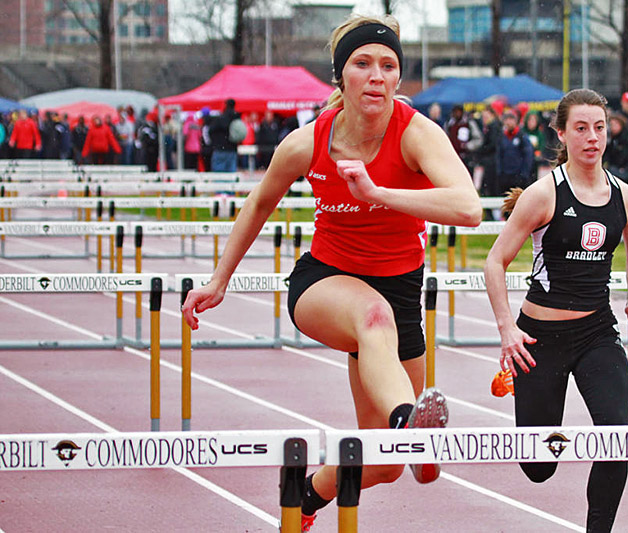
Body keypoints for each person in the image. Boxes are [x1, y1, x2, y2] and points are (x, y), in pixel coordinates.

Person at [180, 14, 482, 531]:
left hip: (401, 286)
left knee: (383, 466)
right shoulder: (306, 143)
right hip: (326, 281)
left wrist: (379, 194)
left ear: (398, 79)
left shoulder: (416, 134)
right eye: (363, 64)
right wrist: (218, 278)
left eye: (388, 66)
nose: (377, 76)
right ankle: (411, 426)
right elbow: (258, 204)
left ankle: (307, 492)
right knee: (372, 317)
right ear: (341, 77)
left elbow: (469, 208)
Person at [483, 88, 628, 533]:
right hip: (538, 339)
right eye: (581, 128)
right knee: (538, 467)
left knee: (617, 438)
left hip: (598, 332)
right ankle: (529, 398)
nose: (592, 137)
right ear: (561, 133)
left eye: (599, 127)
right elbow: (494, 262)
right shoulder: (542, 196)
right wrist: (507, 330)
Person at [495, 109, 534, 195]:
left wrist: (524, 174)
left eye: (511, 119)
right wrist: (500, 172)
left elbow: (528, 156)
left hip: (518, 176)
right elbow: (499, 156)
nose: (508, 122)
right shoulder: (502, 137)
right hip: (506, 176)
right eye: (506, 119)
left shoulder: (522, 136)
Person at [208, 98, 240, 172]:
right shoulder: (236, 118)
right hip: (232, 149)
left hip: (219, 149)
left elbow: (210, 131)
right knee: (231, 176)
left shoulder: (220, 118)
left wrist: (215, 143)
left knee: (219, 176)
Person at [603, 112, 628, 182]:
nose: (613, 127)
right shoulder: (610, 140)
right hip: (613, 170)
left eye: (616, 124)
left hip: (626, 172)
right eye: (612, 125)